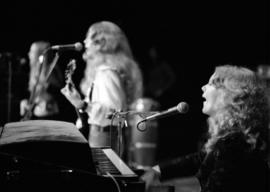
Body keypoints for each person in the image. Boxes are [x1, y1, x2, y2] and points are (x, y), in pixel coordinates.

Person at [141, 65, 269, 192]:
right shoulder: (234, 139)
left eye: (211, 84)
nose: (203, 87)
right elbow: (199, 158)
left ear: (228, 94)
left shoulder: (235, 144)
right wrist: (157, 171)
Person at [61, 21, 143, 154]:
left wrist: (82, 105)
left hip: (104, 136)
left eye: (88, 37)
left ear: (101, 43)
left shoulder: (107, 74)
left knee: (106, 174)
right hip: (102, 135)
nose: (85, 41)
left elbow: (115, 113)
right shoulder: (103, 72)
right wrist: (80, 103)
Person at [20, 41, 64, 121]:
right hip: (37, 113)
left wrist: (46, 86)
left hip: (49, 115)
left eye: (31, 52)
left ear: (39, 54)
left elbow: (59, 93)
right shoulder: (34, 71)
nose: (29, 54)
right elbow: (33, 96)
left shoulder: (51, 70)